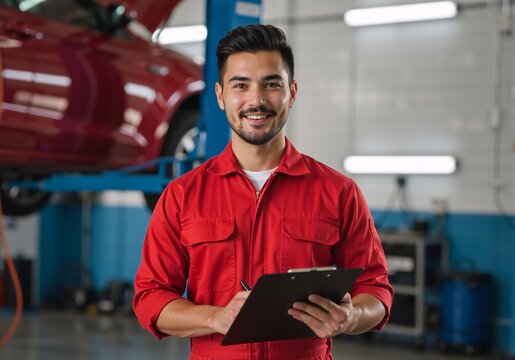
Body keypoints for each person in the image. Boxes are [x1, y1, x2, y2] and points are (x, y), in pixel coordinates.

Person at [133, 24, 393, 360]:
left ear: (293, 92)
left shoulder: (339, 192)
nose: (256, 100)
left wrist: (351, 316)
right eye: (241, 85)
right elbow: (150, 298)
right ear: (220, 95)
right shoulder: (182, 196)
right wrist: (215, 317)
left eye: (272, 84)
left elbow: (376, 290)